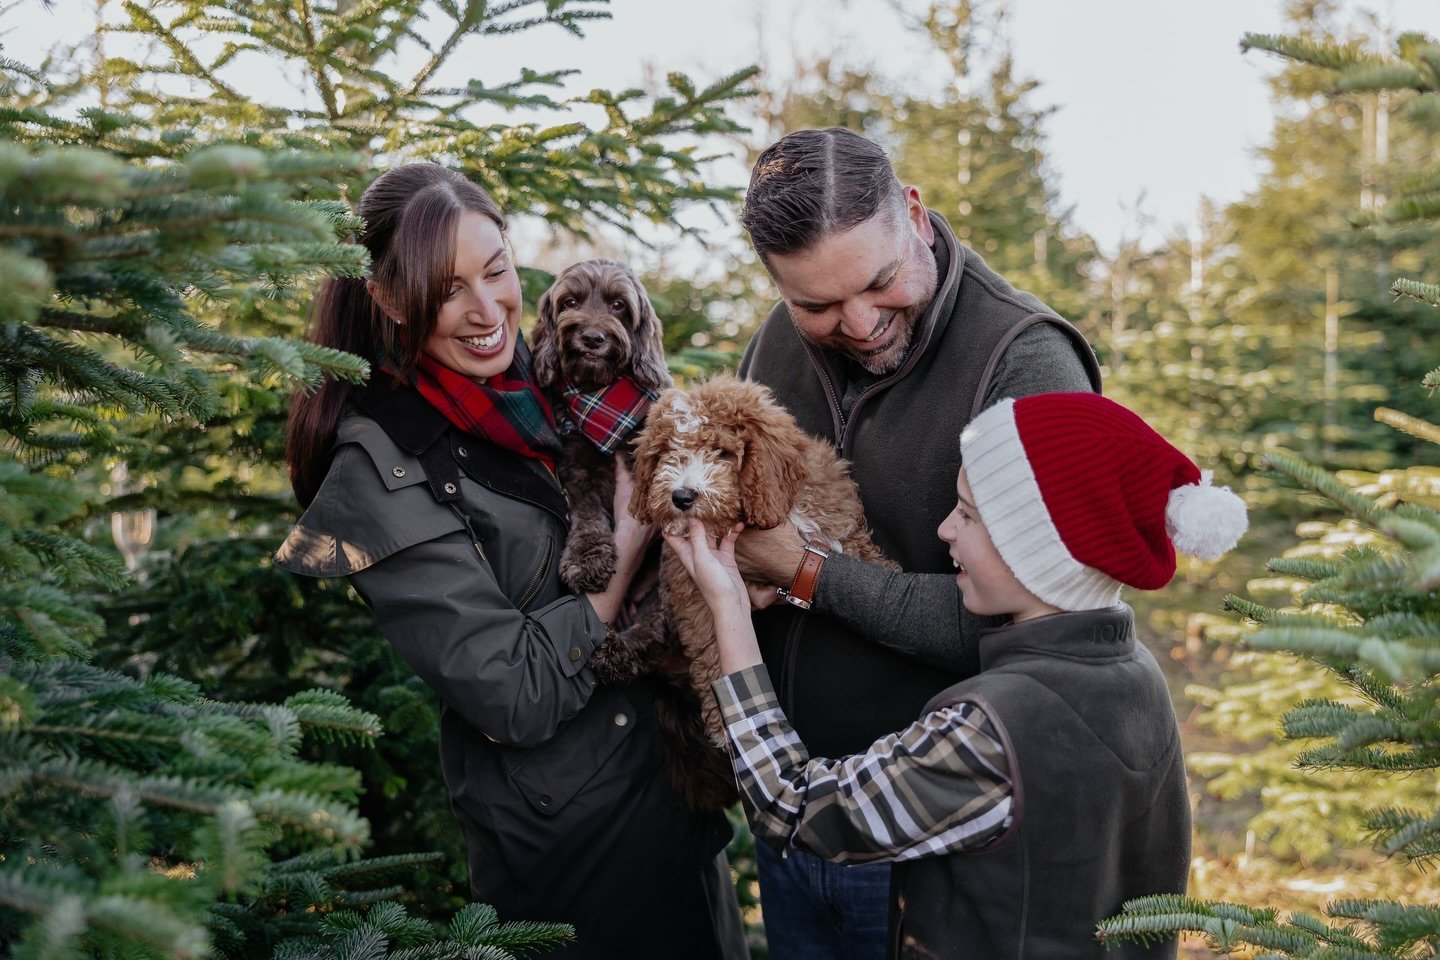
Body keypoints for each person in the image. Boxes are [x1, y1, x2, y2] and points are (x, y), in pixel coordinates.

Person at [274, 163, 745, 959]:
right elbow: (512, 694)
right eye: (447, 289)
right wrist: (630, 537)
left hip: (673, 800)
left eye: (497, 272)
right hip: (570, 855)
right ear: (390, 299)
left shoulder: (542, 386)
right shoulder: (384, 471)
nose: (488, 310)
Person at [667, 391, 1249, 959]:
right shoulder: (1138, 674)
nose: (945, 529)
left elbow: (792, 808)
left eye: (967, 514)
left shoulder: (990, 730)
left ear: (1034, 548)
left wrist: (728, 608)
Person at [732, 126, 1103, 955]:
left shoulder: (1025, 362)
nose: (861, 323)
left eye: (879, 282)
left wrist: (804, 573)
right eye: (817, 306)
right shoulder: (775, 342)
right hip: (788, 805)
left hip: (935, 835)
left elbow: (1044, 628)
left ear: (915, 214)